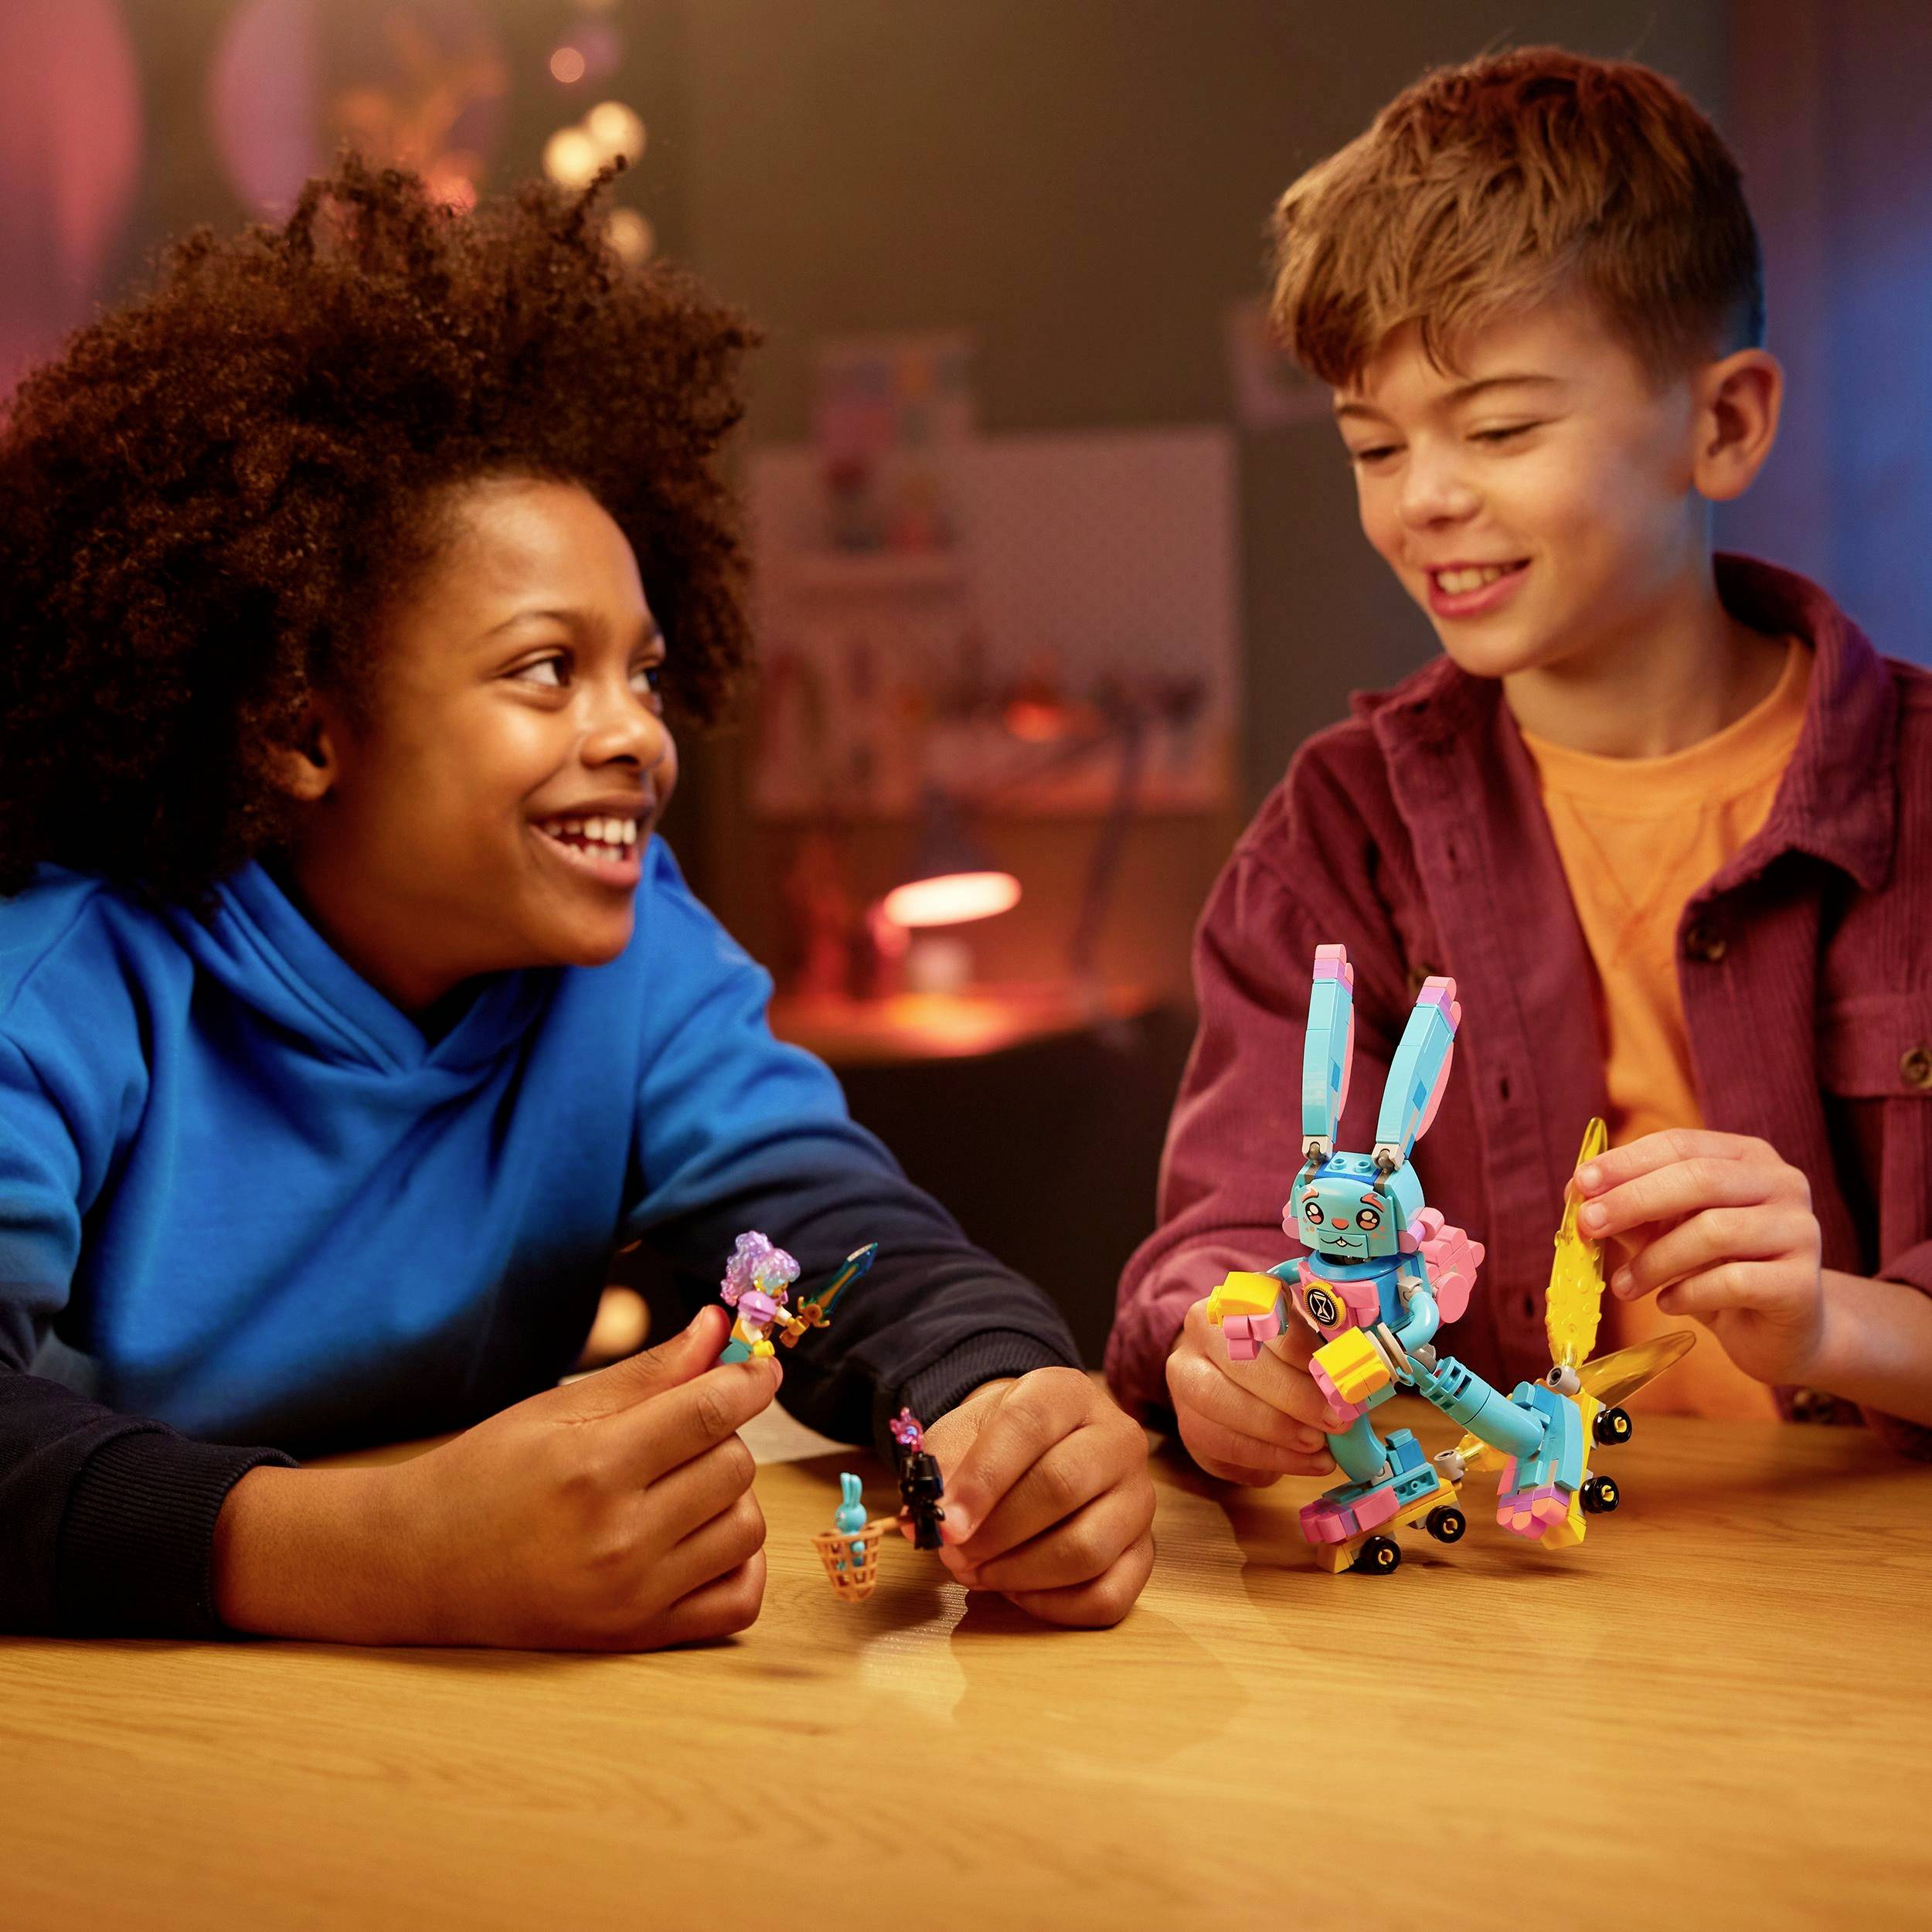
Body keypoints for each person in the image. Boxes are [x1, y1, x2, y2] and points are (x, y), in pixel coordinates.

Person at [0, 159, 1153, 1644]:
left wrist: (1001, 1393)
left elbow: (824, 1223)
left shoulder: (628, 958)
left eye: (648, 676)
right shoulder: (68, 983)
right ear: (302, 728)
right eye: (549, 669)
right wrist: (379, 1553)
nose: (639, 736)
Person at [1108, 48, 1932, 1485]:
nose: (1425, 498)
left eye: (1500, 428)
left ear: (1723, 421)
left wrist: (1829, 1325)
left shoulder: (1916, 798)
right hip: (1504, 1603)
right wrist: (1228, 1358)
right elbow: (1229, 1249)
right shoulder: (1340, 837)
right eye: (1374, 445)